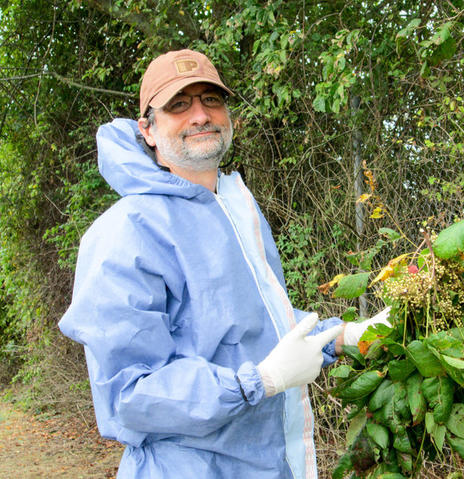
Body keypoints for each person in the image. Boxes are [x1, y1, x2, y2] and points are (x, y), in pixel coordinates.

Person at [58, 49, 389, 479]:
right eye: (179, 104)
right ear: (149, 129)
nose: (200, 115)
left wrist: (345, 335)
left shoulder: (236, 211)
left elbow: (260, 329)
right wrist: (259, 382)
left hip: (270, 463)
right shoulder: (126, 231)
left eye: (210, 100)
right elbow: (129, 392)